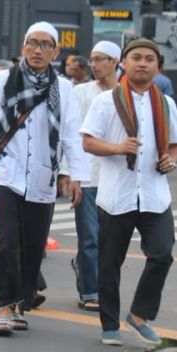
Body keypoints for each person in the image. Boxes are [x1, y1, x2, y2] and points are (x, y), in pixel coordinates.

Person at [0, 22, 87, 336]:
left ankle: (20, 304)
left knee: (32, 247)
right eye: (32, 43)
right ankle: (4, 308)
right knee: (4, 243)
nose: (38, 50)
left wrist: (74, 175)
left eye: (46, 44)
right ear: (23, 47)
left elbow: (71, 134)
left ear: (55, 51)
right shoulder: (3, 80)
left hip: (42, 178)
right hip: (7, 174)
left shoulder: (64, 88)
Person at [80, 38, 177, 346]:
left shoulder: (166, 103)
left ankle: (139, 315)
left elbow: (176, 144)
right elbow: (87, 141)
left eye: (149, 59)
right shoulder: (106, 101)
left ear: (157, 66)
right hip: (117, 195)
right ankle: (109, 324)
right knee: (109, 262)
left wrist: (170, 160)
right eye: (136, 57)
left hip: (154, 192)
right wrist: (117, 147)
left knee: (162, 253)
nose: (142, 63)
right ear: (124, 63)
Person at [70, 40, 121, 312]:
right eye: (92, 59)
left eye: (100, 59)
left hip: (115, 178)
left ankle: (94, 277)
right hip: (88, 176)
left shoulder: (125, 94)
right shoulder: (81, 92)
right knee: (89, 237)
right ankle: (90, 291)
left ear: (115, 62)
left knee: (109, 240)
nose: (94, 64)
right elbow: (73, 133)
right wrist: (72, 176)